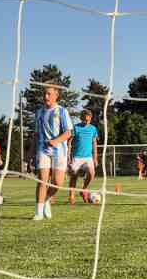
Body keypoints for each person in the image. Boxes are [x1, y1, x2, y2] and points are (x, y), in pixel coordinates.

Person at [32, 85, 72, 221]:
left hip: (59, 151)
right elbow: (36, 135)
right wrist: (31, 154)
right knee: (42, 180)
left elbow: (68, 132)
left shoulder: (62, 111)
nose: (46, 97)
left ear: (56, 95)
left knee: (57, 183)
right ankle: (38, 212)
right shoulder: (38, 113)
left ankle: (47, 199)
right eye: (44, 94)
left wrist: (56, 141)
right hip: (42, 150)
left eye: (49, 94)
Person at [67, 107, 100, 204]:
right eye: (85, 119)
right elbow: (69, 142)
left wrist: (95, 158)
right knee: (74, 175)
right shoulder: (76, 127)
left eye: (88, 119)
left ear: (91, 118)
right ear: (81, 118)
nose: (87, 121)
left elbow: (94, 143)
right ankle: (71, 195)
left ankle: (83, 189)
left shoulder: (93, 129)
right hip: (77, 156)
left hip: (88, 157)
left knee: (92, 173)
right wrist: (68, 155)